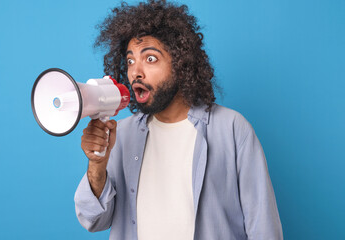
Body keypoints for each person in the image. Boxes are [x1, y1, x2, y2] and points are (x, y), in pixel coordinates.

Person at [74, 0, 283, 239]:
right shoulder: (121, 134)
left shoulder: (232, 129)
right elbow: (93, 219)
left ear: (181, 63)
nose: (135, 72)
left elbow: (263, 227)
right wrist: (97, 164)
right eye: (130, 60)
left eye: (150, 58)